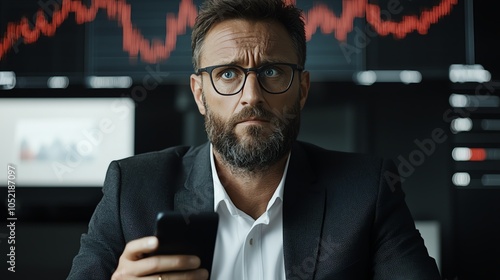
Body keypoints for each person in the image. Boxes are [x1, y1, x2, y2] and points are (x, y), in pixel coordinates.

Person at [68, 0, 441, 279]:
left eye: (272, 71)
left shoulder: (367, 191)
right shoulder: (131, 190)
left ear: (302, 89)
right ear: (199, 94)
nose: (251, 96)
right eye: (228, 74)